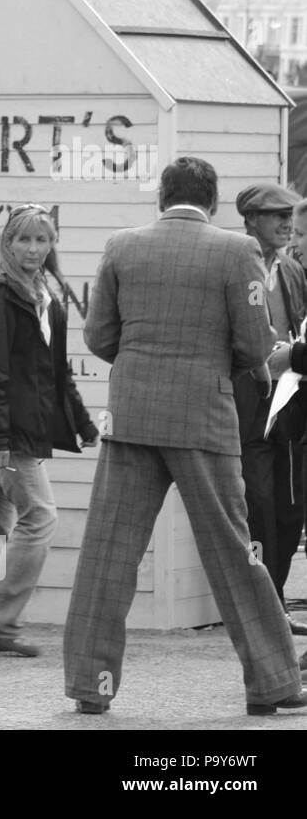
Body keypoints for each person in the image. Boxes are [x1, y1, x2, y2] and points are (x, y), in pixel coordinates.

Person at [64, 156, 307, 716]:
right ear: (215, 202)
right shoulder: (235, 250)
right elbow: (252, 348)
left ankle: (89, 686)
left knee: (109, 552)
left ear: (161, 198)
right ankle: (273, 684)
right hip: (204, 420)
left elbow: (100, 336)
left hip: (133, 418)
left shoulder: (122, 245)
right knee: (234, 552)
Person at [0, 204, 97, 657]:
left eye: (42, 240)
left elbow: (56, 371)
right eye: (24, 240)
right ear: (7, 242)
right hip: (2, 431)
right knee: (41, 518)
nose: (33, 249)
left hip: (11, 429)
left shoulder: (44, 294)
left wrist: (84, 422)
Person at [231, 183, 307, 636]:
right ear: (251, 220)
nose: (286, 222)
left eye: (289, 215)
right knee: (256, 507)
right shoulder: (235, 262)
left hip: (292, 401)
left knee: (290, 512)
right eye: (275, 215)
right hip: (249, 401)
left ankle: (275, 604)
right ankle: (262, 610)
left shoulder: (293, 269)